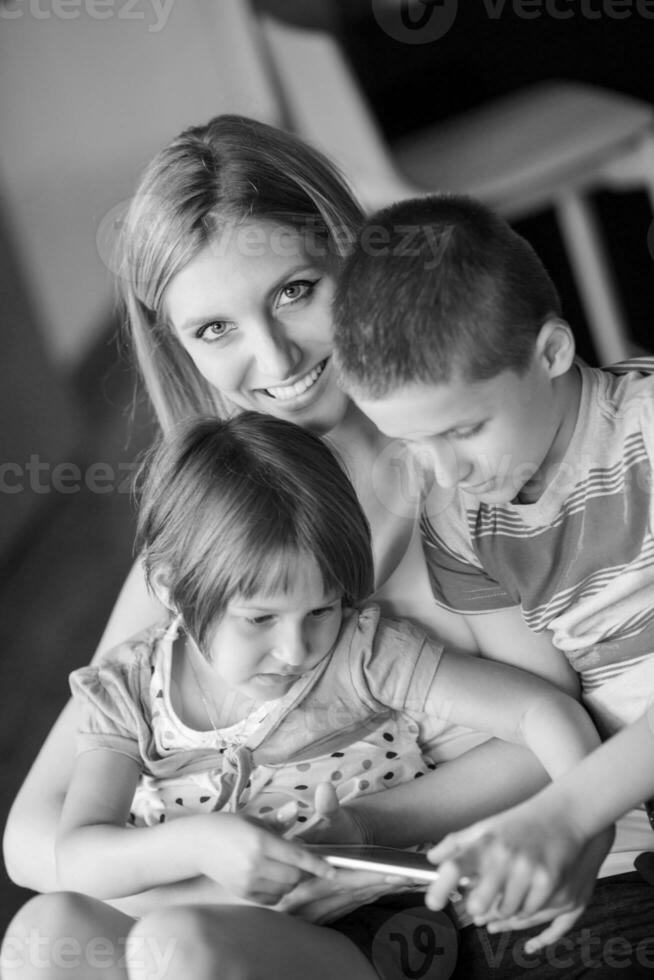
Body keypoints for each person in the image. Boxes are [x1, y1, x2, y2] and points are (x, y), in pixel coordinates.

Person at [0, 115, 630, 980]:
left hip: (411, 906)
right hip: (226, 899)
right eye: (214, 330)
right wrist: (203, 863)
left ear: (354, 257)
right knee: (47, 938)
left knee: (174, 951)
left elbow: (552, 729)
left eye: (296, 291)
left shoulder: (469, 468)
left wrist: (361, 832)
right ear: (176, 345)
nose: (275, 355)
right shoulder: (215, 529)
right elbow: (35, 837)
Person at [48, 411, 603, 979]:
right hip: (198, 932)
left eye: (321, 609)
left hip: (375, 932)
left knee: (179, 943)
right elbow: (77, 858)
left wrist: (588, 823)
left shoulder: (360, 654)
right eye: (260, 618)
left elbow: (543, 710)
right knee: (48, 931)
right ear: (172, 591)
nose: (295, 650)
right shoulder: (129, 688)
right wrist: (198, 845)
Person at [331, 192, 654, 973]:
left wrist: (570, 815)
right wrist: (578, 823)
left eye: (465, 429)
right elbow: (552, 711)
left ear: (550, 352)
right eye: (412, 441)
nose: (449, 473)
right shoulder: (460, 522)